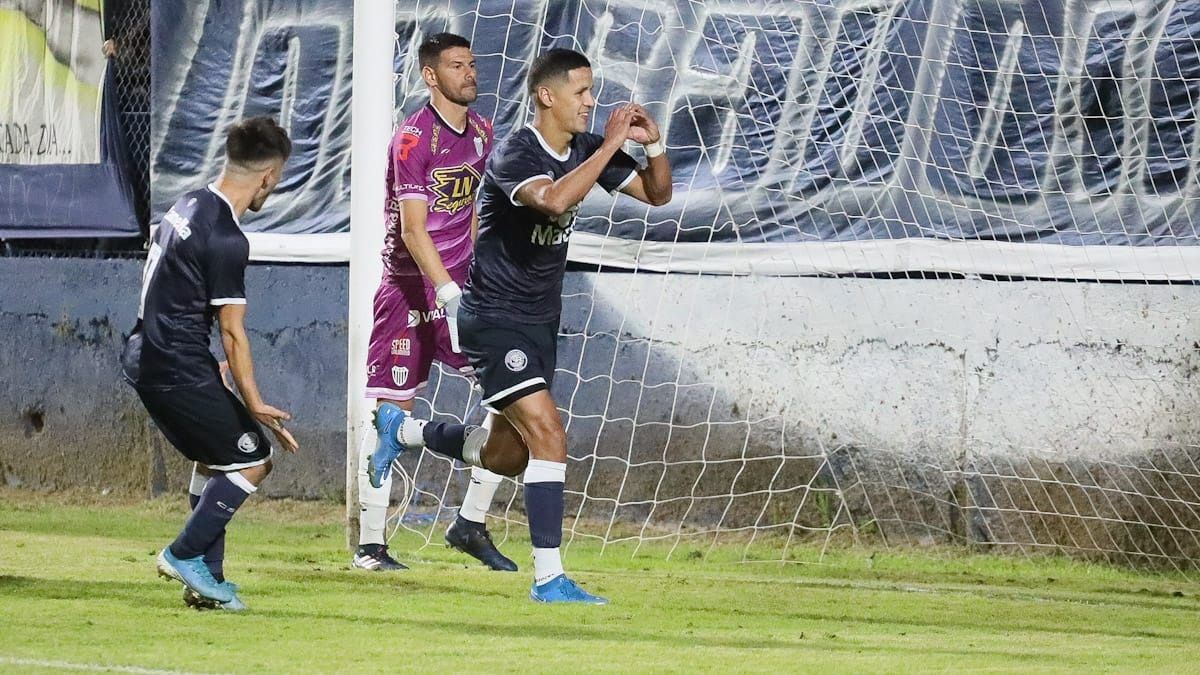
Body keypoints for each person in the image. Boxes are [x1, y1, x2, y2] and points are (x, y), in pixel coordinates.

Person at [368, 48, 672, 603]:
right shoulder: (513, 153)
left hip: (539, 321)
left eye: (592, 91)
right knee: (551, 436)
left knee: (507, 456)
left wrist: (650, 144)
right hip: (495, 319)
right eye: (581, 92)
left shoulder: (582, 149)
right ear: (546, 96)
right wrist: (609, 145)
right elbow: (554, 200)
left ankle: (405, 431)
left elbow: (658, 194)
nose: (591, 102)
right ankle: (550, 577)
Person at [121, 117, 299, 611]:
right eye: (278, 178)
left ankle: (207, 581)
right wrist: (255, 401)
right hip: (173, 363)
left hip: (151, 352)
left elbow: (171, 291)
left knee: (216, 457)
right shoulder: (226, 237)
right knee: (253, 459)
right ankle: (182, 554)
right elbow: (233, 333)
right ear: (269, 175)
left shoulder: (189, 203)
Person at [354, 33, 516, 572]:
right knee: (388, 415)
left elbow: (469, 212)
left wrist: (475, 275)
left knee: (511, 396)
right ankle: (371, 547)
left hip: (459, 288)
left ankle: (470, 521)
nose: (470, 73)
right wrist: (446, 290)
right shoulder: (412, 141)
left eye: (472, 63)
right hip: (408, 290)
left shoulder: (483, 132)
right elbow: (414, 229)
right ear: (430, 75)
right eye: (457, 65)